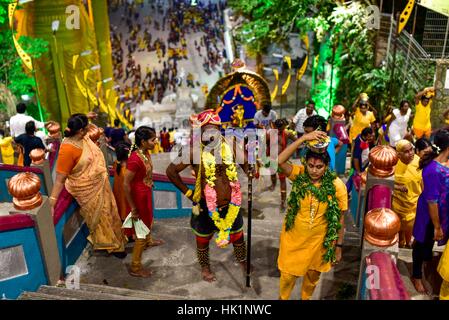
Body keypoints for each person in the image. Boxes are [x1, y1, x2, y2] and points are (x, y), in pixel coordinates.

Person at [166, 110, 249, 282]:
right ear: (201, 132)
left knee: (238, 237)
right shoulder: (193, 151)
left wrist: (250, 172)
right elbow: (171, 171)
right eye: (207, 131)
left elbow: (246, 162)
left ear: (220, 130)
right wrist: (189, 194)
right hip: (205, 205)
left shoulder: (230, 145)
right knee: (202, 240)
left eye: (215, 130)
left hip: (232, 204)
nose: (211, 135)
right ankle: (205, 267)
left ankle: (242, 261)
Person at [277, 131, 347, 300]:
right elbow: (278, 162)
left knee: (312, 279)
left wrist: (338, 247)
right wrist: (302, 139)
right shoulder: (299, 175)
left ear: (326, 165)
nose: (314, 171)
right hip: (293, 241)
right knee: (287, 277)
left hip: (319, 243)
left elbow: (341, 219)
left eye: (319, 167)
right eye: (310, 165)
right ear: (305, 163)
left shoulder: (337, 186)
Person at [49, 114, 127, 258]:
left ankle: (117, 240)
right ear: (80, 131)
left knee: (110, 212)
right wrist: (52, 202)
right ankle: (112, 246)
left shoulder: (82, 137)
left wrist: (87, 115)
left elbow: (80, 120)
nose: (89, 129)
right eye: (86, 128)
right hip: (86, 189)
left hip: (100, 184)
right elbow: (60, 179)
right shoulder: (67, 149)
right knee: (101, 217)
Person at [411, 129, 449, 294]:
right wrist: (437, 226)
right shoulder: (433, 170)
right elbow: (432, 202)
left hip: (442, 213)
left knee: (429, 244)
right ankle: (416, 276)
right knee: (422, 243)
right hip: (430, 216)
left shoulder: (445, 164)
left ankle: (428, 262)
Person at [124, 126, 163, 277]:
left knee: (148, 222)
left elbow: (144, 173)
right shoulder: (134, 159)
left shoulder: (146, 153)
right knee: (141, 230)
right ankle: (135, 267)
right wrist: (133, 207)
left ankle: (149, 241)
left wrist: (148, 180)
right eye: (153, 139)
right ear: (143, 141)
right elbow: (126, 184)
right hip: (138, 198)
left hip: (145, 193)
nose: (156, 142)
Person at [392, 140, 422, 248]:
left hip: (414, 205)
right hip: (396, 206)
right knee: (398, 233)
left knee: (410, 229)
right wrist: (397, 187)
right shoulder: (392, 163)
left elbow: (423, 183)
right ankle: (400, 242)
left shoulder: (419, 162)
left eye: (411, 149)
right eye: (406, 151)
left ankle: (408, 242)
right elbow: (382, 180)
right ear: (398, 154)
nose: (411, 153)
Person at [273, 119, 297, 211]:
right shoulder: (269, 134)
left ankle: (283, 202)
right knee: (272, 175)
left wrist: (289, 153)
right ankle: (273, 184)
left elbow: (298, 142)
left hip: (282, 162)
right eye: (278, 128)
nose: (279, 130)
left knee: (282, 180)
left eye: (281, 128)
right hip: (271, 159)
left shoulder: (287, 134)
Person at [346, 127, 375, 194]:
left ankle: (346, 192)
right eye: (369, 136)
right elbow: (356, 159)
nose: (371, 138)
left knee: (352, 179)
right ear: (365, 135)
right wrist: (358, 171)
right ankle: (346, 192)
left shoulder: (361, 136)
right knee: (353, 179)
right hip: (359, 167)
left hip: (363, 165)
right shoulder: (359, 144)